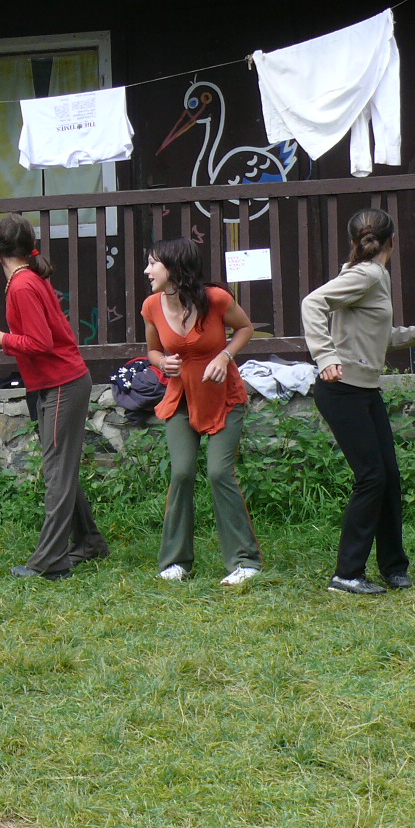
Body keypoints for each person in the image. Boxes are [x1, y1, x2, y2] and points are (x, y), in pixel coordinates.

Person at [301, 208, 415, 596]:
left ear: (355, 242)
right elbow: (312, 303)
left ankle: (394, 567)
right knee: (372, 478)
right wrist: (325, 356)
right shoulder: (366, 274)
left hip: (362, 390)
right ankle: (347, 574)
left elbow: (378, 337)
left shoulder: (372, 276)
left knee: (388, 477)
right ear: (392, 242)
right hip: (342, 390)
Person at [0, 213, 109, 579]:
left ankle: (51, 562)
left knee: (56, 473)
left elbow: (40, 343)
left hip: (62, 384)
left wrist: (0, 338)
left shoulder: (22, 285)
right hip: (56, 383)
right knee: (62, 468)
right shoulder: (29, 278)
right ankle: (89, 542)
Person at [141, 237, 263, 585]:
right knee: (181, 473)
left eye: (153, 263)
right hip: (181, 398)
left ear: (174, 268)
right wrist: (162, 362)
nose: (147, 271)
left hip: (223, 397)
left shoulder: (217, 299)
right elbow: (152, 351)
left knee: (219, 473)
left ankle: (245, 562)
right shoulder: (151, 306)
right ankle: (176, 562)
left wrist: (225, 355)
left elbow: (245, 328)